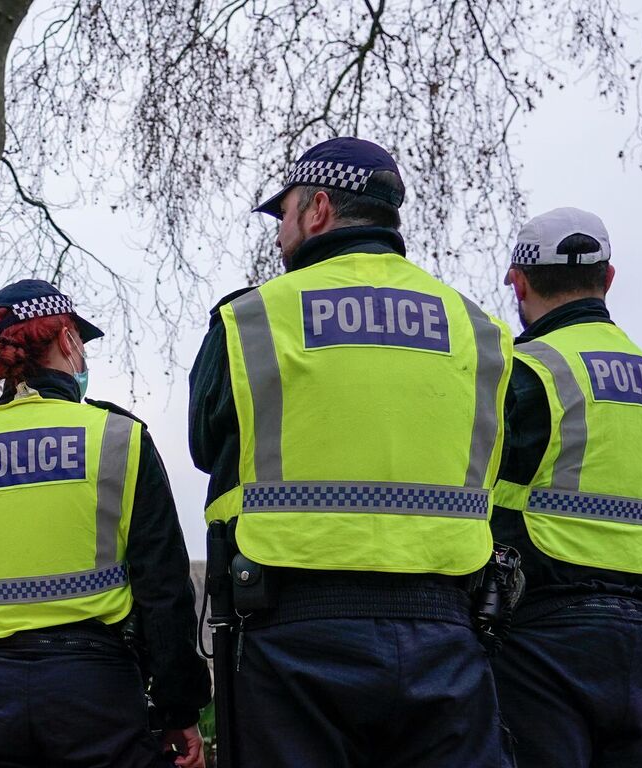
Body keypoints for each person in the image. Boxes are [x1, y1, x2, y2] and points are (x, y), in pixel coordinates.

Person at [190, 137, 514, 767]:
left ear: (317, 210)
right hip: (446, 630)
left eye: (281, 215)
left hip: (295, 632)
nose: (279, 234)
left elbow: (207, 445)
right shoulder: (479, 330)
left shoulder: (252, 319)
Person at [0, 279, 211, 767]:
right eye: (81, 345)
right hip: (95, 690)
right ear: (66, 339)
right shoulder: (118, 440)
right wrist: (179, 706)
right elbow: (164, 589)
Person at [489, 207, 642, 767]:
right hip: (641, 645)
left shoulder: (518, 375)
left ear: (518, 279)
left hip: (535, 638)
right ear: (608, 279)